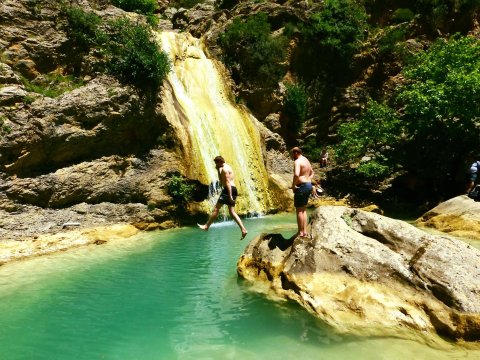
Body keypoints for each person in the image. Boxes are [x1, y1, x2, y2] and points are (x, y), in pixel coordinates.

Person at [198, 156, 248, 240]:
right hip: (234, 189)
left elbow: (227, 182)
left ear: (219, 162)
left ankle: (206, 226)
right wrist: (218, 170)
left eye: (216, 163)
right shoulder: (226, 167)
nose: (215, 165)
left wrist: (230, 195)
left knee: (216, 209)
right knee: (232, 212)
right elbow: (222, 181)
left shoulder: (224, 169)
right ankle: (243, 229)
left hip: (229, 190)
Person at [291, 147, 314, 237]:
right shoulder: (306, 160)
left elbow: (296, 174)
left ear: (296, 153)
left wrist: (293, 185)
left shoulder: (298, 161)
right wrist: (308, 179)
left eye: (292, 154)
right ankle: (304, 231)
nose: (292, 156)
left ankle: (300, 232)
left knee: (299, 210)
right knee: (303, 209)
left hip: (302, 186)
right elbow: (312, 172)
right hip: (308, 185)